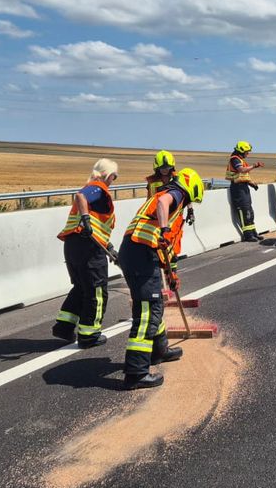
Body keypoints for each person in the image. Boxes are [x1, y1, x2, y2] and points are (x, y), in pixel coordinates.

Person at [117, 166, 204, 390]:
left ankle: (159, 351)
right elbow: (163, 204)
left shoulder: (171, 195)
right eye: (189, 201)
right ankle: (136, 373)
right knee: (149, 310)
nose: (186, 206)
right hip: (139, 253)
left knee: (152, 306)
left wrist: (170, 274)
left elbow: (163, 248)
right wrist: (165, 229)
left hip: (139, 252)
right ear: (190, 188)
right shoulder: (176, 193)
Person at [53, 158, 118, 347]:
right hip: (87, 248)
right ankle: (89, 335)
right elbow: (80, 196)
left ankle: (63, 327)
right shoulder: (97, 188)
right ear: (109, 175)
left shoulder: (95, 190)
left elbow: (98, 229)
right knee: (96, 291)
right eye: (115, 176)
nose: (114, 180)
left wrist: (111, 249)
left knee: (81, 287)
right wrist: (86, 219)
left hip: (74, 245)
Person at [226, 141, 265, 241]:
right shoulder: (235, 159)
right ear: (241, 151)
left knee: (249, 211)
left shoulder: (240, 159)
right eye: (247, 152)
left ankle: (253, 233)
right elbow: (241, 170)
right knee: (243, 211)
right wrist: (254, 166)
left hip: (244, 187)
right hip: (237, 189)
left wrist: (252, 183)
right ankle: (248, 235)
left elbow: (244, 176)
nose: (248, 154)